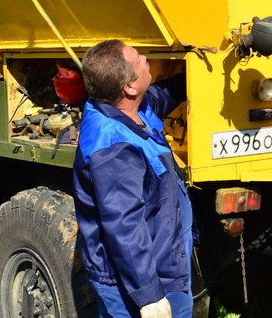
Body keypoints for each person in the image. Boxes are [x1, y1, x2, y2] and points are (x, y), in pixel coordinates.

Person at [73, 39, 192, 318]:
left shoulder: (128, 109)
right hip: (139, 280)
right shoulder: (113, 148)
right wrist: (149, 295)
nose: (146, 59)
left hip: (159, 264)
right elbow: (124, 226)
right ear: (129, 88)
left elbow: (161, 96)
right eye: (139, 60)